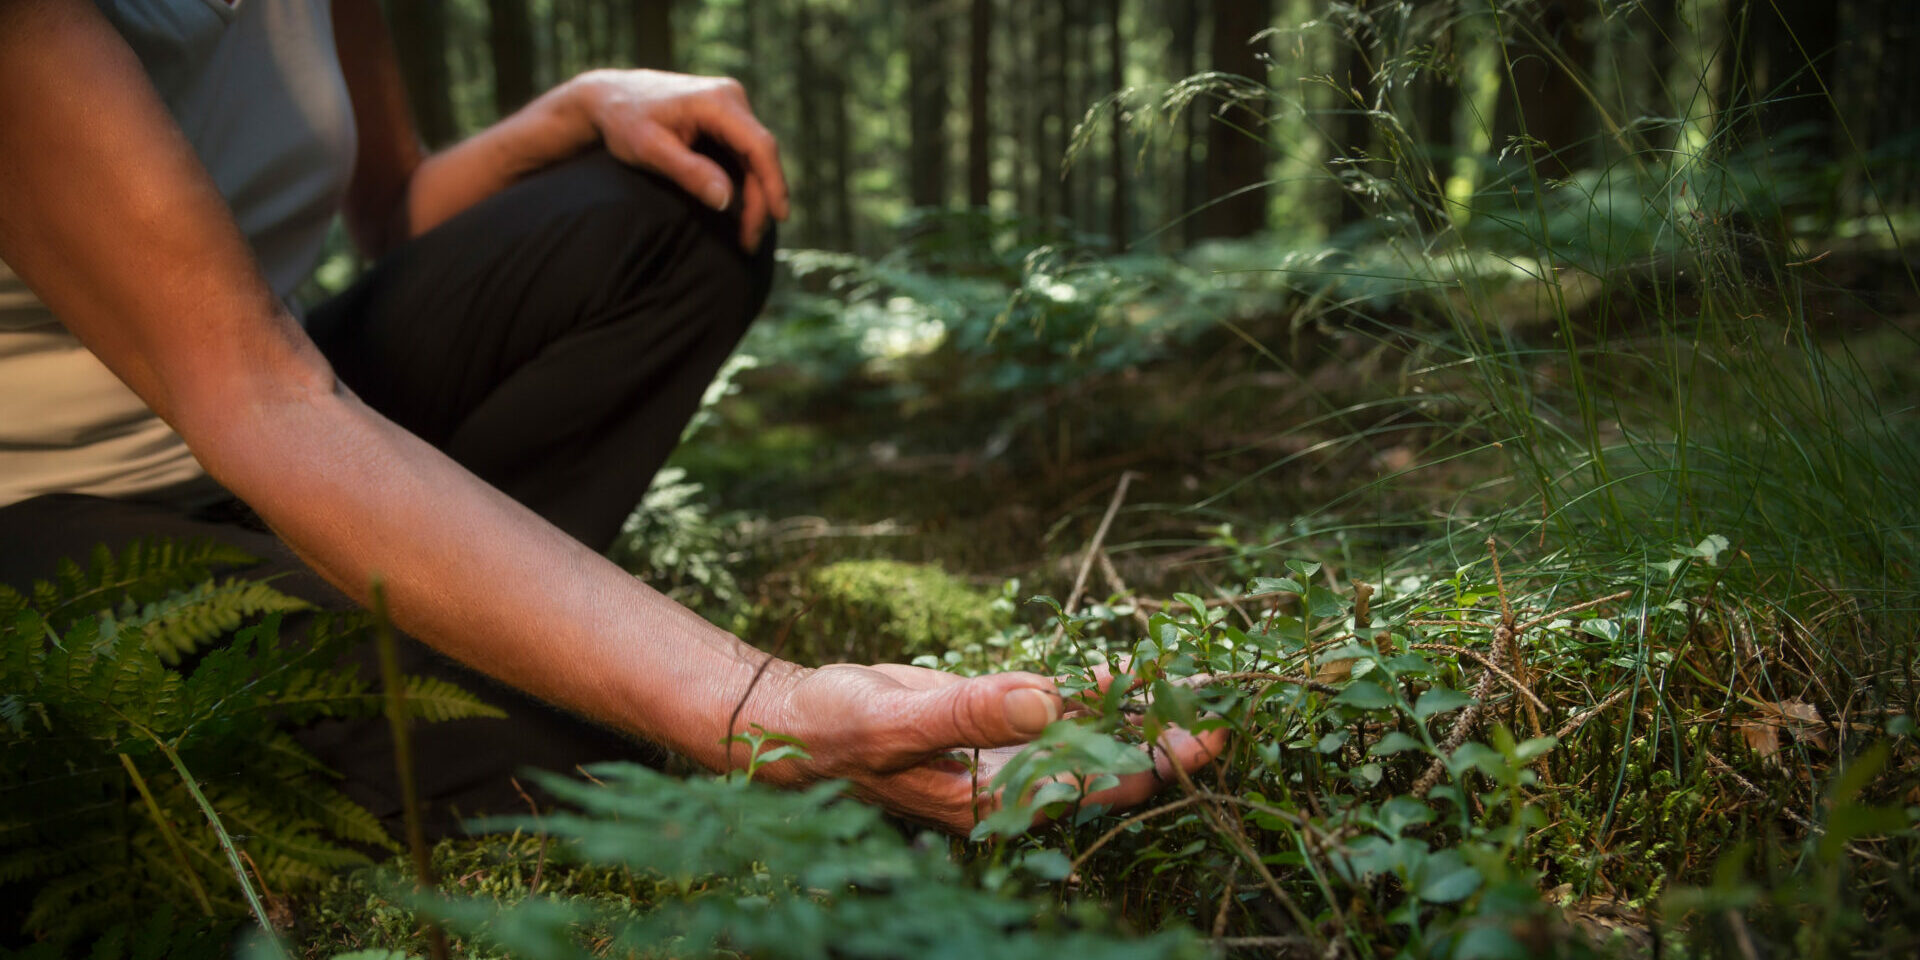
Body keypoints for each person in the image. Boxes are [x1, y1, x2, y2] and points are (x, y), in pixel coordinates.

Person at [0, 0, 1223, 837]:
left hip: (297, 405)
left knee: (687, 203)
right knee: (568, 740)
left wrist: (577, 110)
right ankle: (489, 660)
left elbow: (393, 215)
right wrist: (760, 707)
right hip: (68, 509)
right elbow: (256, 392)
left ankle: (468, 611)